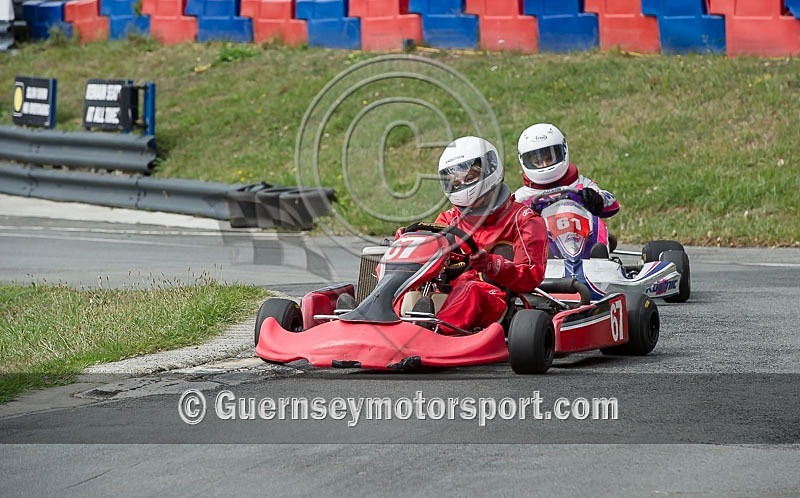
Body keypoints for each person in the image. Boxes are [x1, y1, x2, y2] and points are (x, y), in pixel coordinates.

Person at [418, 135, 549, 335]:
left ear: (490, 171)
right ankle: (389, 324)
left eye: (469, 178)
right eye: (456, 182)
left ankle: (432, 334)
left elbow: (531, 276)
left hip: (495, 299)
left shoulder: (524, 220)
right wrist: (410, 245)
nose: (463, 185)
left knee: (470, 290)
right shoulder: (449, 219)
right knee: (410, 286)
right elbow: (431, 252)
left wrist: (493, 265)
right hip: (446, 294)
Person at [514, 123, 619, 256]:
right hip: (545, 251)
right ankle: (548, 258)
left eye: (550, 158)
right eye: (537, 161)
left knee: (599, 229)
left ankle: (598, 255)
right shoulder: (521, 197)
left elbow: (613, 205)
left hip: (585, 242)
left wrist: (597, 199)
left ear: (562, 151)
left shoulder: (581, 184)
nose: (545, 164)